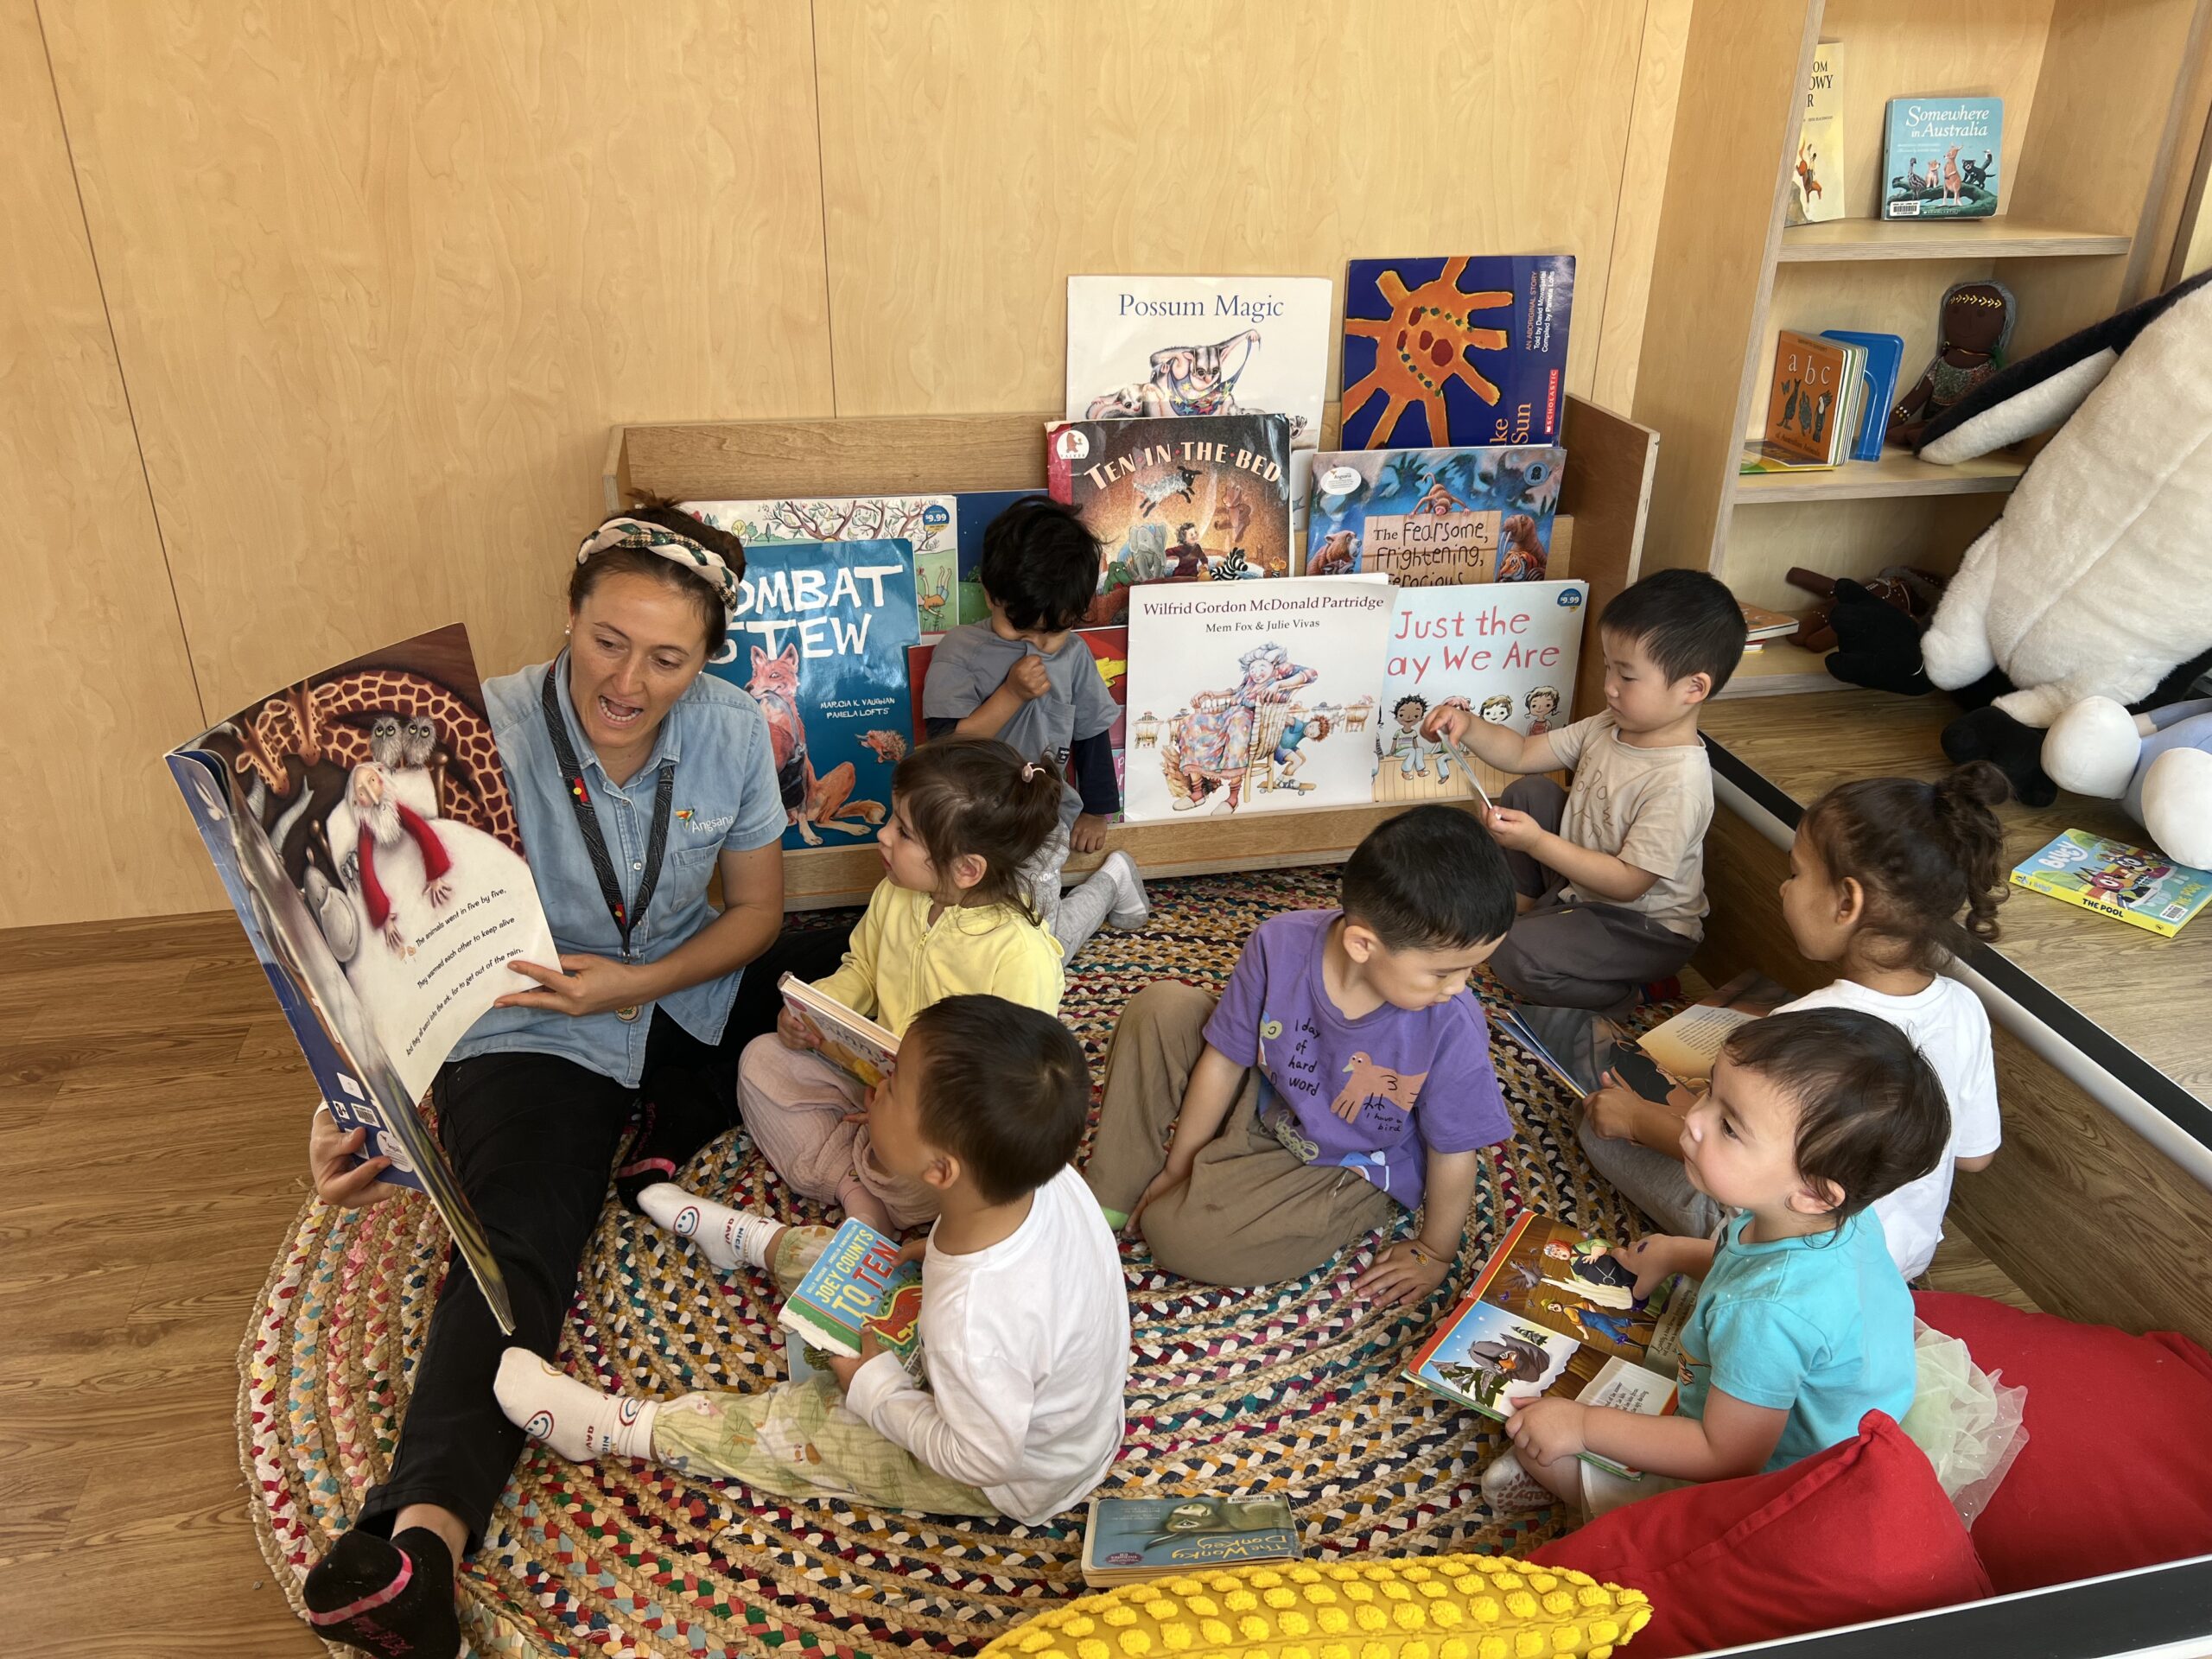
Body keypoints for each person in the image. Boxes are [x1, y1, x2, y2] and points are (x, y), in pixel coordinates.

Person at [300, 505, 841, 1659]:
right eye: (608, 641)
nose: (630, 681)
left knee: (863, 969)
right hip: (528, 1027)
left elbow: (756, 914)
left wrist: (635, 981)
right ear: (569, 614)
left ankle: (659, 1121)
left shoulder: (738, 730)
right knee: (518, 1238)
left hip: (669, 995)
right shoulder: (465, 728)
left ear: (708, 659)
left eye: (667, 657)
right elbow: (380, 949)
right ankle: (422, 1545)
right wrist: (349, 1106)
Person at [493, 996, 1129, 1526]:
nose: (877, 1085)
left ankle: (620, 1428)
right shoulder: (1043, 1182)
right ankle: (742, 1239)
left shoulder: (976, 1317)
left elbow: (981, 1457)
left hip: (1010, 1475)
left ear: (940, 1169)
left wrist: (874, 1390)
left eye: (893, 1085)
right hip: (1028, 1402)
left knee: (800, 1428)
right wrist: (930, 1254)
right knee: (857, 1258)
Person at [1483, 1009, 1949, 1520]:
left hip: (1777, 1478)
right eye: (1708, 1093)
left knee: (1541, 1447)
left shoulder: (1767, 1315)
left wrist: (1582, 1427)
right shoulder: (1832, 1220)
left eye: (1728, 1126)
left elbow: (1726, 1456)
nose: (1694, 1120)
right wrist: (1680, 1253)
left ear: (1814, 1193)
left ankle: (1582, 1497)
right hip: (1822, 1399)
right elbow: (1749, 1263)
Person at [1580, 764, 2010, 1276]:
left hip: (1792, 1256)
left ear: (1846, 903)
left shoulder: (1805, 1019)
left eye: (1796, 873)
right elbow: (1973, 1157)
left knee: (1594, 1125)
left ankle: (1711, 1254)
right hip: (1900, 1260)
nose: (1785, 890)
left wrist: (1631, 1120)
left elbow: (1733, 1160)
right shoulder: (1965, 1007)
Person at [1084, 805, 1517, 1295]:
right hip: (1271, 1101)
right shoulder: (1279, 944)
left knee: (1176, 1235)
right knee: (1162, 1008)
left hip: (1350, 1159)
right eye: (1443, 972)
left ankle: (1251, 1191)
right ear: (1362, 945)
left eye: (1472, 969)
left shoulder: (1450, 1021)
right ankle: (1114, 1192)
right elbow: (1224, 1063)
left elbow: (1454, 1147)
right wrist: (1176, 1168)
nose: (1460, 988)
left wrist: (1434, 1251)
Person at [661, 737, 1067, 1236]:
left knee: (953, 1176)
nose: (883, 835)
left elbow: (1008, 1087)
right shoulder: (896, 896)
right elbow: (862, 968)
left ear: (966, 868)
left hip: (939, 1120)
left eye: (905, 832)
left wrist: (907, 1118)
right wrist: (818, 1009)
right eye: (891, 820)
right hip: (872, 1078)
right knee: (761, 1062)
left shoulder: (1019, 956)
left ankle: (869, 1177)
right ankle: (854, 1187)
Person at [1428, 569, 1747, 1013]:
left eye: (1627, 677)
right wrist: (1470, 726)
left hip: (1640, 927)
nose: (1608, 687)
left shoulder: (1678, 783)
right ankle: (1522, 907)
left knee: (1515, 954)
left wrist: (1537, 842)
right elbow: (1521, 753)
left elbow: (1629, 883)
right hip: (1581, 885)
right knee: (1530, 791)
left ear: (1693, 688)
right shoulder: (1608, 725)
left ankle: (1632, 993)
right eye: (1607, 667)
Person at [920, 496, 1147, 960]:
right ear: (990, 595)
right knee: (951, 929)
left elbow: (1090, 734)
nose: (1041, 645)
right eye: (1022, 631)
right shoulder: (960, 649)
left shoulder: (1075, 656)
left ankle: (1112, 880)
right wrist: (1010, 695)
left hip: (1040, 822)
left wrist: (1097, 809)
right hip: (964, 822)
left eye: (1054, 632)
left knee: (1043, 950)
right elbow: (946, 747)